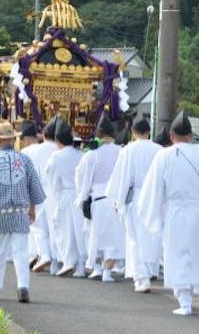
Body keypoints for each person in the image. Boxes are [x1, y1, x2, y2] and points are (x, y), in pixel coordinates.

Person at [138, 110, 199, 316]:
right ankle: (188, 297)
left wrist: (153, 215)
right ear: (191, 136)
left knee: (176, 254)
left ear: (172, 136)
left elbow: (155, 188)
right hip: (197, 211)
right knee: (194, 253)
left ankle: (184, 300)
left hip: (174, 211)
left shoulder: (164, 155)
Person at [0, 122, 46, 303]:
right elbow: (34, 187)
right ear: (13, 139)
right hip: (20, 213)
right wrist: (32, 208)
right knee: (21, 252)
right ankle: (22, 287)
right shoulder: (24, 160)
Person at [106, 118, 162, 293]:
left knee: (135, 238)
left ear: (133, 132)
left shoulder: (129, 150)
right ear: (149, 131)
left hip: (136, 196)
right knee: (152, 236)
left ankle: (142, 277)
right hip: (154, 196)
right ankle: (150, 271)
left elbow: (123, 176)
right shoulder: (159, 150)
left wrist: (119, 200)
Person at [76, 113, 125, 282]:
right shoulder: (122, 152)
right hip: (116, 200)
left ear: (98, 134)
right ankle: (107, 271)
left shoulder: (91, 155)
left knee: (94, 236)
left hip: (96, 200)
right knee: (113, 238)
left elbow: (82, 178)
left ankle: (97, 267)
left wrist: (81, 199)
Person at [43, 117, 87, 277]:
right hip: (80, 195)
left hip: (64, 195)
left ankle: (68, 261)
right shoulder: (81, 155)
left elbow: (52, 178)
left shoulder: (55, 157)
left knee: (64, 230)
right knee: (80, 232)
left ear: (57, 140)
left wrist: (56, 194)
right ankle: (81, 266)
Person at [21, 119, 58, 274]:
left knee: (37, 227)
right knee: (55, 228)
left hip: (38, 191)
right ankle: (54, 261)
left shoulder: (30, 151)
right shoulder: (60, 149)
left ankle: (43, 254)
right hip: (57, 192)